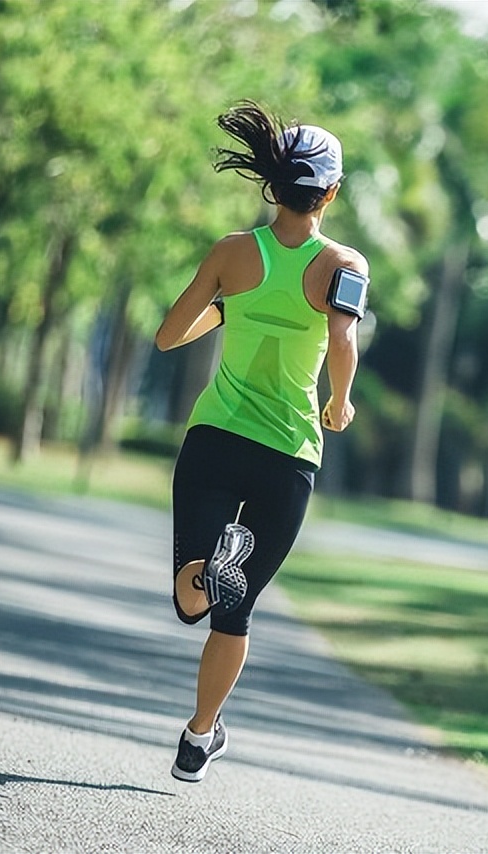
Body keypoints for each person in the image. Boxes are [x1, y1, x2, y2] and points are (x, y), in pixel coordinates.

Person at [154, 101, 367, 783]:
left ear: (271, 185)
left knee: (194, 599)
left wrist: (226, 305)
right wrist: (339, 402)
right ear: (329, 192)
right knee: (233, 612)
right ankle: (197, 738)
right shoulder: (343, 262)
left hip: (216, 439)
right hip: (289, 455)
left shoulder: (231, 252)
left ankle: (213, 564)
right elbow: (341, 338)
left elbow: (167, 336)